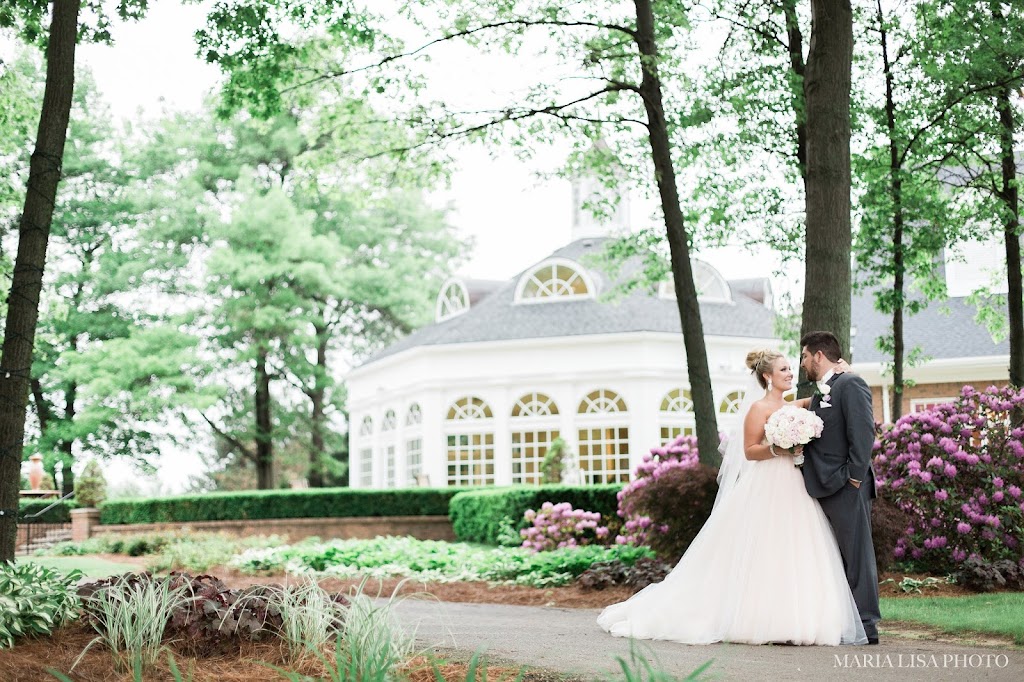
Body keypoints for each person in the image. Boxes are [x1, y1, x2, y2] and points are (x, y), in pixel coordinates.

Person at [597, 349, 867, 646]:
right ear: (767, 376)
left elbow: (824, 399)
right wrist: (780, 449)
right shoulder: (758, 408)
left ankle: (798, 616)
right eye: (784, 370)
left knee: (795, 543)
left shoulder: (792, 405)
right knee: (762, 546)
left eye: (791, 368)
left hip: (793, 482)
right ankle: (756, 617)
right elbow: (750, 450)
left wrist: (846, 373)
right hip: (766, 482)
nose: (791, 373)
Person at [799, 331, 881, 645]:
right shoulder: (825, 389)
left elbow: (863, 434)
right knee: (836, 558)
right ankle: (845, 622)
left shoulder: (850, 384)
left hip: (847, 486)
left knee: (857, 556)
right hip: (825, 484)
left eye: (805, 355)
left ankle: (867, 625)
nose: (803, 362)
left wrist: (854, 478)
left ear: (819, 355)